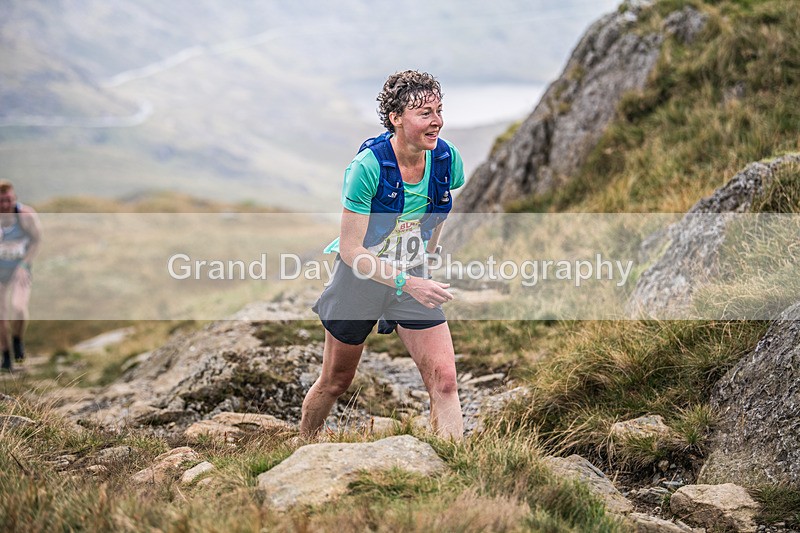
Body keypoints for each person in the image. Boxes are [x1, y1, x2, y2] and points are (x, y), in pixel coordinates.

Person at [300, 70, 466, 439]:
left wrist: (429, 252)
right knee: (336, 380)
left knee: (445, 382)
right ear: (395, 118)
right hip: (359, 280)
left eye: (439, 110)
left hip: (412, 275)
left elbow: (442, 204)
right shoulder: (368, 167)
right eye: (425, 113)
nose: (436, 120)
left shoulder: (446, 158)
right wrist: (409, 281)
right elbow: (351, 249)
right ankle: (304, 442)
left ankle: (455, 463)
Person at [0, 180, 42, 372]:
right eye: (1, 201)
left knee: (18, 307)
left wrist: (25, 264)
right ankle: (6, 355)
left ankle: (17, 340)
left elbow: (37, 240)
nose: (5, 205)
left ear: (14, 197)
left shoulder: (25, 216)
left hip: (19, 268)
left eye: (8, 199)